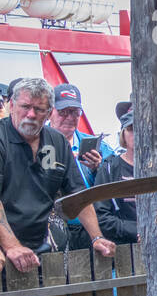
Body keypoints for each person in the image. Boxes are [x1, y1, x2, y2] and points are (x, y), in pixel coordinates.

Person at [0, 78, 115, 271]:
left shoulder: (57, 142)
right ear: (11, 105)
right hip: (5, 250)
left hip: (48, 248)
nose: (31, 114)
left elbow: (78, 195)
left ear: (48, 112)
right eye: (25, 106)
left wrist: (97, 237)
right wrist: (11, 246)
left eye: (39, 109)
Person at [50, 83, 109, 249]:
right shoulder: (38, 143)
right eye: (63, 111)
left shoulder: (99, 146)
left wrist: (98, 169)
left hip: (90, 228)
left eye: (75, 112)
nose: (70, 117)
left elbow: (113, 183)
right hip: (52, 229)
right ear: (50, 112)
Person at [93, 107, 137, 244]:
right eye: (131, 128)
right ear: (123, 134)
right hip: (124, 250)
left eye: (143, 126)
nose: (137, 133)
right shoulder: (109, 168)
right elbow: (102, 217)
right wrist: (137, 231)